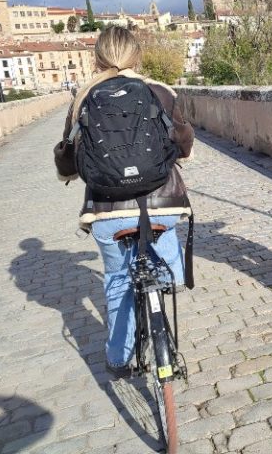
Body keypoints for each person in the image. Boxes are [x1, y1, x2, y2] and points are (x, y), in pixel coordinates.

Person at [55, 26, 194, 376]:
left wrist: (68, 174)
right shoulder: (160, 92)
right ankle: (168, 280)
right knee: (166, 254)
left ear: (97, 58)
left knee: (118, 280)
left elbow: (68, 157)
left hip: (107, 209)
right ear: (137, 55)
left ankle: (118, 359)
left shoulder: (84, 98)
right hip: (162, 202)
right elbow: (183, 140)